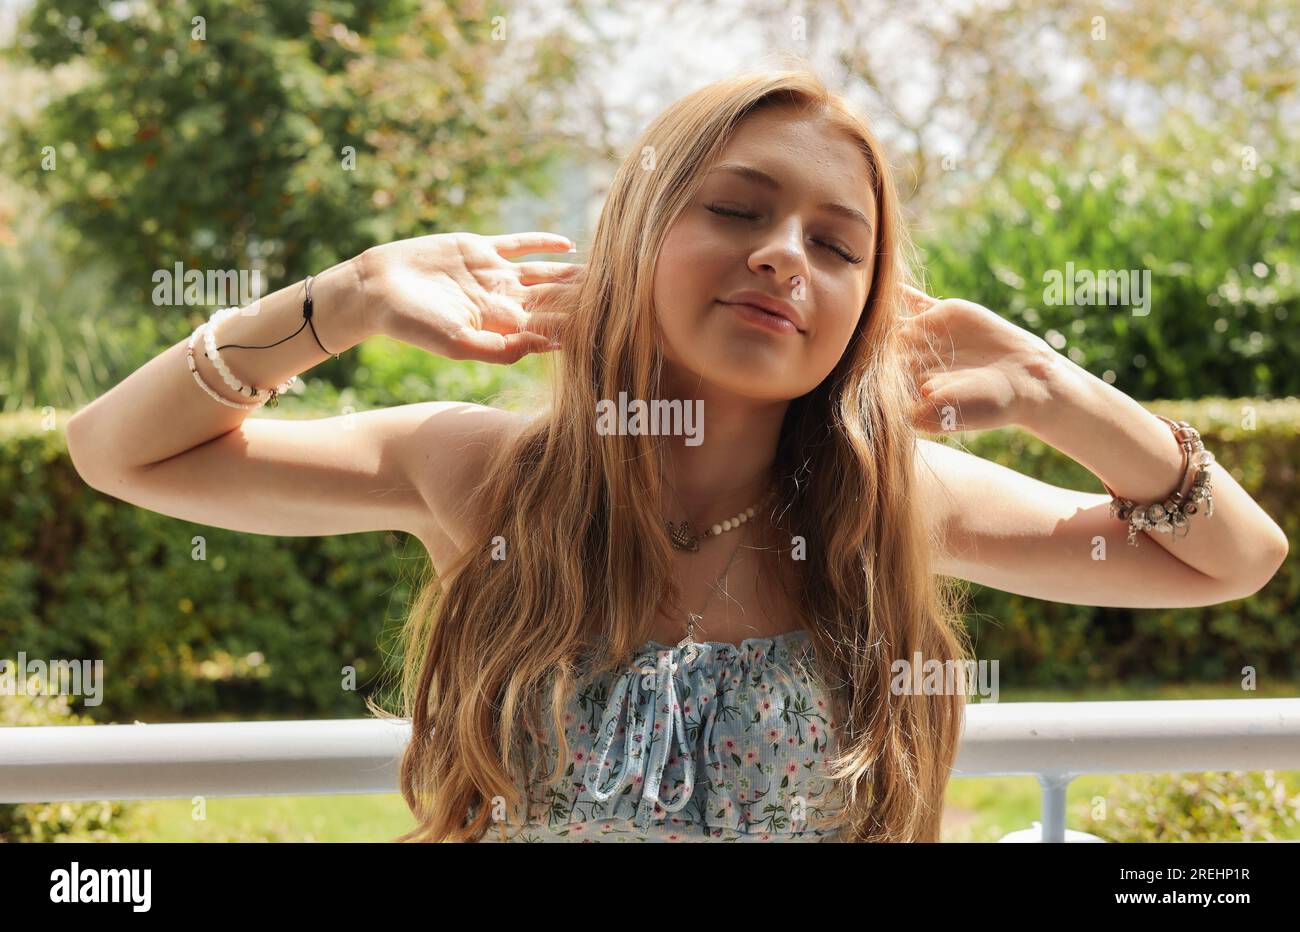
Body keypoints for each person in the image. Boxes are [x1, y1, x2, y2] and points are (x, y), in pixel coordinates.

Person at [65, 68, 1289, 843]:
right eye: (737, 208)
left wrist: (1053, 389)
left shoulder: (889, 501)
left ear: (864, 309)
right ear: (641, 236)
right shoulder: (483, 473)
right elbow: (119, 452)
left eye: (835, 242)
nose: (783, 257)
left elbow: (1228, 558)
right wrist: (340, 302)